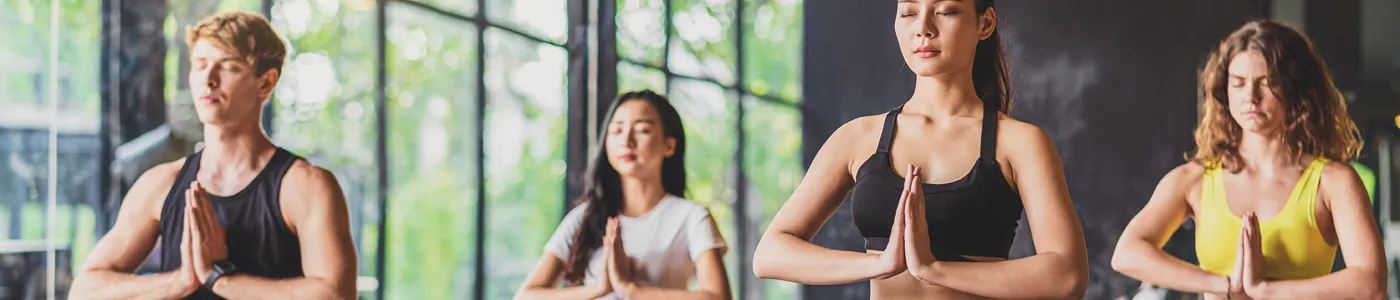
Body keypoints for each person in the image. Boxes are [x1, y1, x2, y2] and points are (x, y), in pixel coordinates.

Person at [751, 0, 1089, 298]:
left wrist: (932, 269)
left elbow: (1067, 277)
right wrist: (882, 264)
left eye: (945, 11)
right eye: (909, 12)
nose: (923, 29)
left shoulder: (1020, 143)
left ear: (984, 23)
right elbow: (770, 254)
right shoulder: (858, 138)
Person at [70, 11, 358, 300]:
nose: (209, 79)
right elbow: (85, 291)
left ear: (266, 82)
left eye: (229, 66)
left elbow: (335, 295)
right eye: (200, 65)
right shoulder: (160, 184)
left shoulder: (306, 186)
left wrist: (219, 278)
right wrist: (180, 282)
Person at [1111, 20, 1385, 300]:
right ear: (1224, 91)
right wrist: (1226, 285)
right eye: (1238, 84)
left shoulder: (1334, 182)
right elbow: (1127, 254)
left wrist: (1265, 290)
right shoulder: (1194, 179)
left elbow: (1371, 283)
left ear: (1296, 90)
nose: (1250, 97)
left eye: (1267, 83)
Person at [514, 91, 732, 300]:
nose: (626, 140)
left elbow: (719, 297)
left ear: (669, 145)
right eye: (616, 130)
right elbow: (526, 296)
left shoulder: (692, 217)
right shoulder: (584, 217)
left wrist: (630, 288)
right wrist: (600, 288)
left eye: (642, 130)